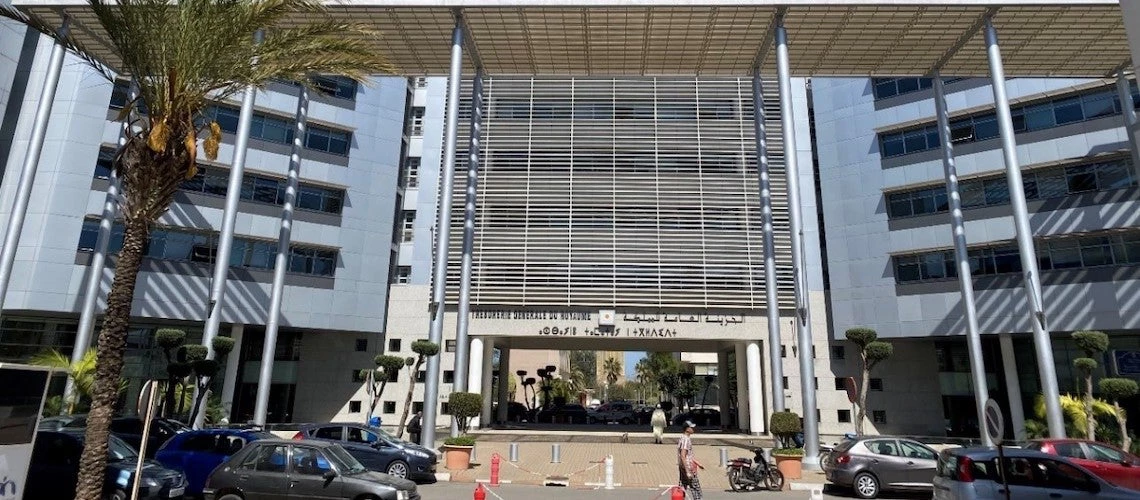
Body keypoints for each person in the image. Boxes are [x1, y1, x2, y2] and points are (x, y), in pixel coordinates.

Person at [677, 420, 704, 499]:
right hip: (688, 467)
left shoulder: (682, 437)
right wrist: (688, 471)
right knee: (696, 489)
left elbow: (689, 455)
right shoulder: (686, 439)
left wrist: (698, 463)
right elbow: (683, 455)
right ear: (687, 429)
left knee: (683, 486)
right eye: (691, 427)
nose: (693, 429)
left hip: (683, 466)